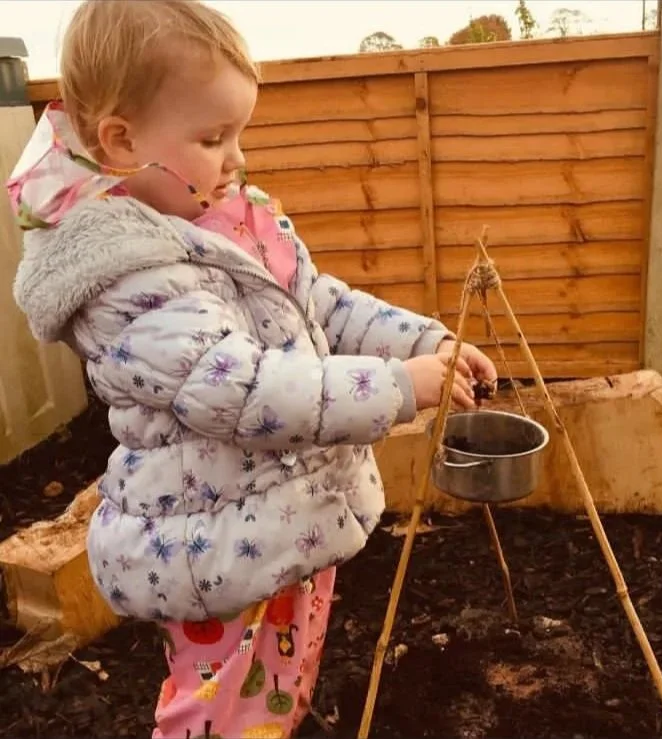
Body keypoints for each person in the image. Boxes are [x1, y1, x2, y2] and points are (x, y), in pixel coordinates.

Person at [6, 2, 497, 737]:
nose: (236, 157)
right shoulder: (126, 279)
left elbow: (319, 302)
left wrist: (422, 339)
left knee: (271, 692)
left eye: (239, 133)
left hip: (278, 517)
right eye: (212, 137)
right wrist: (400, 388)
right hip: (212, 543)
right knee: (219, 712)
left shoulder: (225, 219)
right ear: (120, 140)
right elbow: (241, 389)